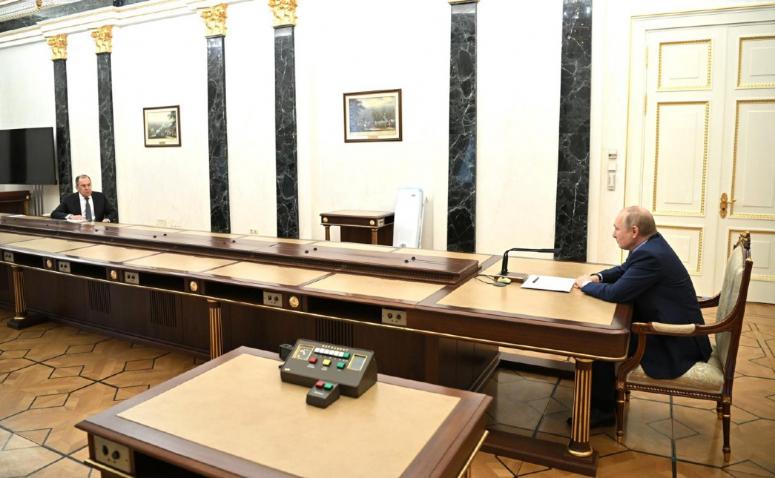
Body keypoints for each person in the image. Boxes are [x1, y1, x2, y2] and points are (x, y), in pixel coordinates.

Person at [573, 206, 711, 427]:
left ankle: (603, 410)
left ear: (634, 231)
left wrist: (586, 285)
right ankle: (599, 394)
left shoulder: (651, 255)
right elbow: (624, 270)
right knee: (604, 332)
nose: (613, 234)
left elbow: (617, 293)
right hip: (665, 324)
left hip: (674, 340)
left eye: (617, 229)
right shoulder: (650, 245)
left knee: (599, 341)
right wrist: (598, 277)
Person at [51, 174, 117, 223]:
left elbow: (113, 212)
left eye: (89, 185)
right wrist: (71, 216)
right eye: (83, 186)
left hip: (97, 228)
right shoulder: (69, 199)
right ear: (77, 187)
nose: (87, 188)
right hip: (79, 230)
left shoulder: (100, 197)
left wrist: (107, 219)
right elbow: (55, 213)